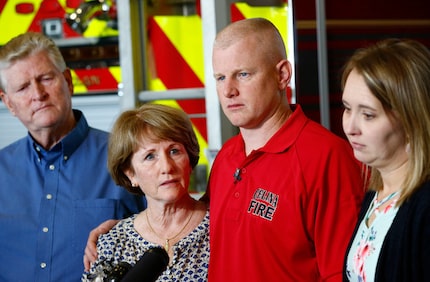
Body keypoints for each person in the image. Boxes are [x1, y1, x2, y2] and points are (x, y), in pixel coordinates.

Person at [84, 18, 364, 281]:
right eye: (220, 78)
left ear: (282, 75)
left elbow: (343, 274)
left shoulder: (327, 157)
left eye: (243, 74)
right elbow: (198, 216)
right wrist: (123, 229)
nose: (228, 91)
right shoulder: (227, 157)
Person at [0, 32, 145, 282]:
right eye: (23, 87)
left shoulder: (128, 157)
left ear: (68, 81)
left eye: (45, 79)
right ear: (9, 103)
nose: (38, 94)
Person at [82, 103, 209, 281]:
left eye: (174, 151)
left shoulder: (223, 229)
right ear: (131, 174)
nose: (166, 167)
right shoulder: (112, 243)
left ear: (189, 158)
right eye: (150, 156)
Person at [341, 38, 430, 281]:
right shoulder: (377, 193)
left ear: (412, 121)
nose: (350, 127)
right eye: (347, 108)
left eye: (368, 115)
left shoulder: (424, 206)